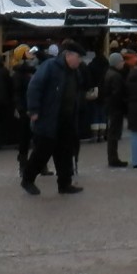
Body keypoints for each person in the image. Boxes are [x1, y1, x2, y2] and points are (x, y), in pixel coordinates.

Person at [22, 41, 86, 195]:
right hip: (49, 117)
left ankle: (64, 184)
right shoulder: (50, 67)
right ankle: (27, 179)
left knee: (65, 152)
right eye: (78, 57)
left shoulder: (75, 72)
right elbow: (34, 87)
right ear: (68, 55)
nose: (80, 61)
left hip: (67, 118)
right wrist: (34, 110)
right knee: (42, 151)